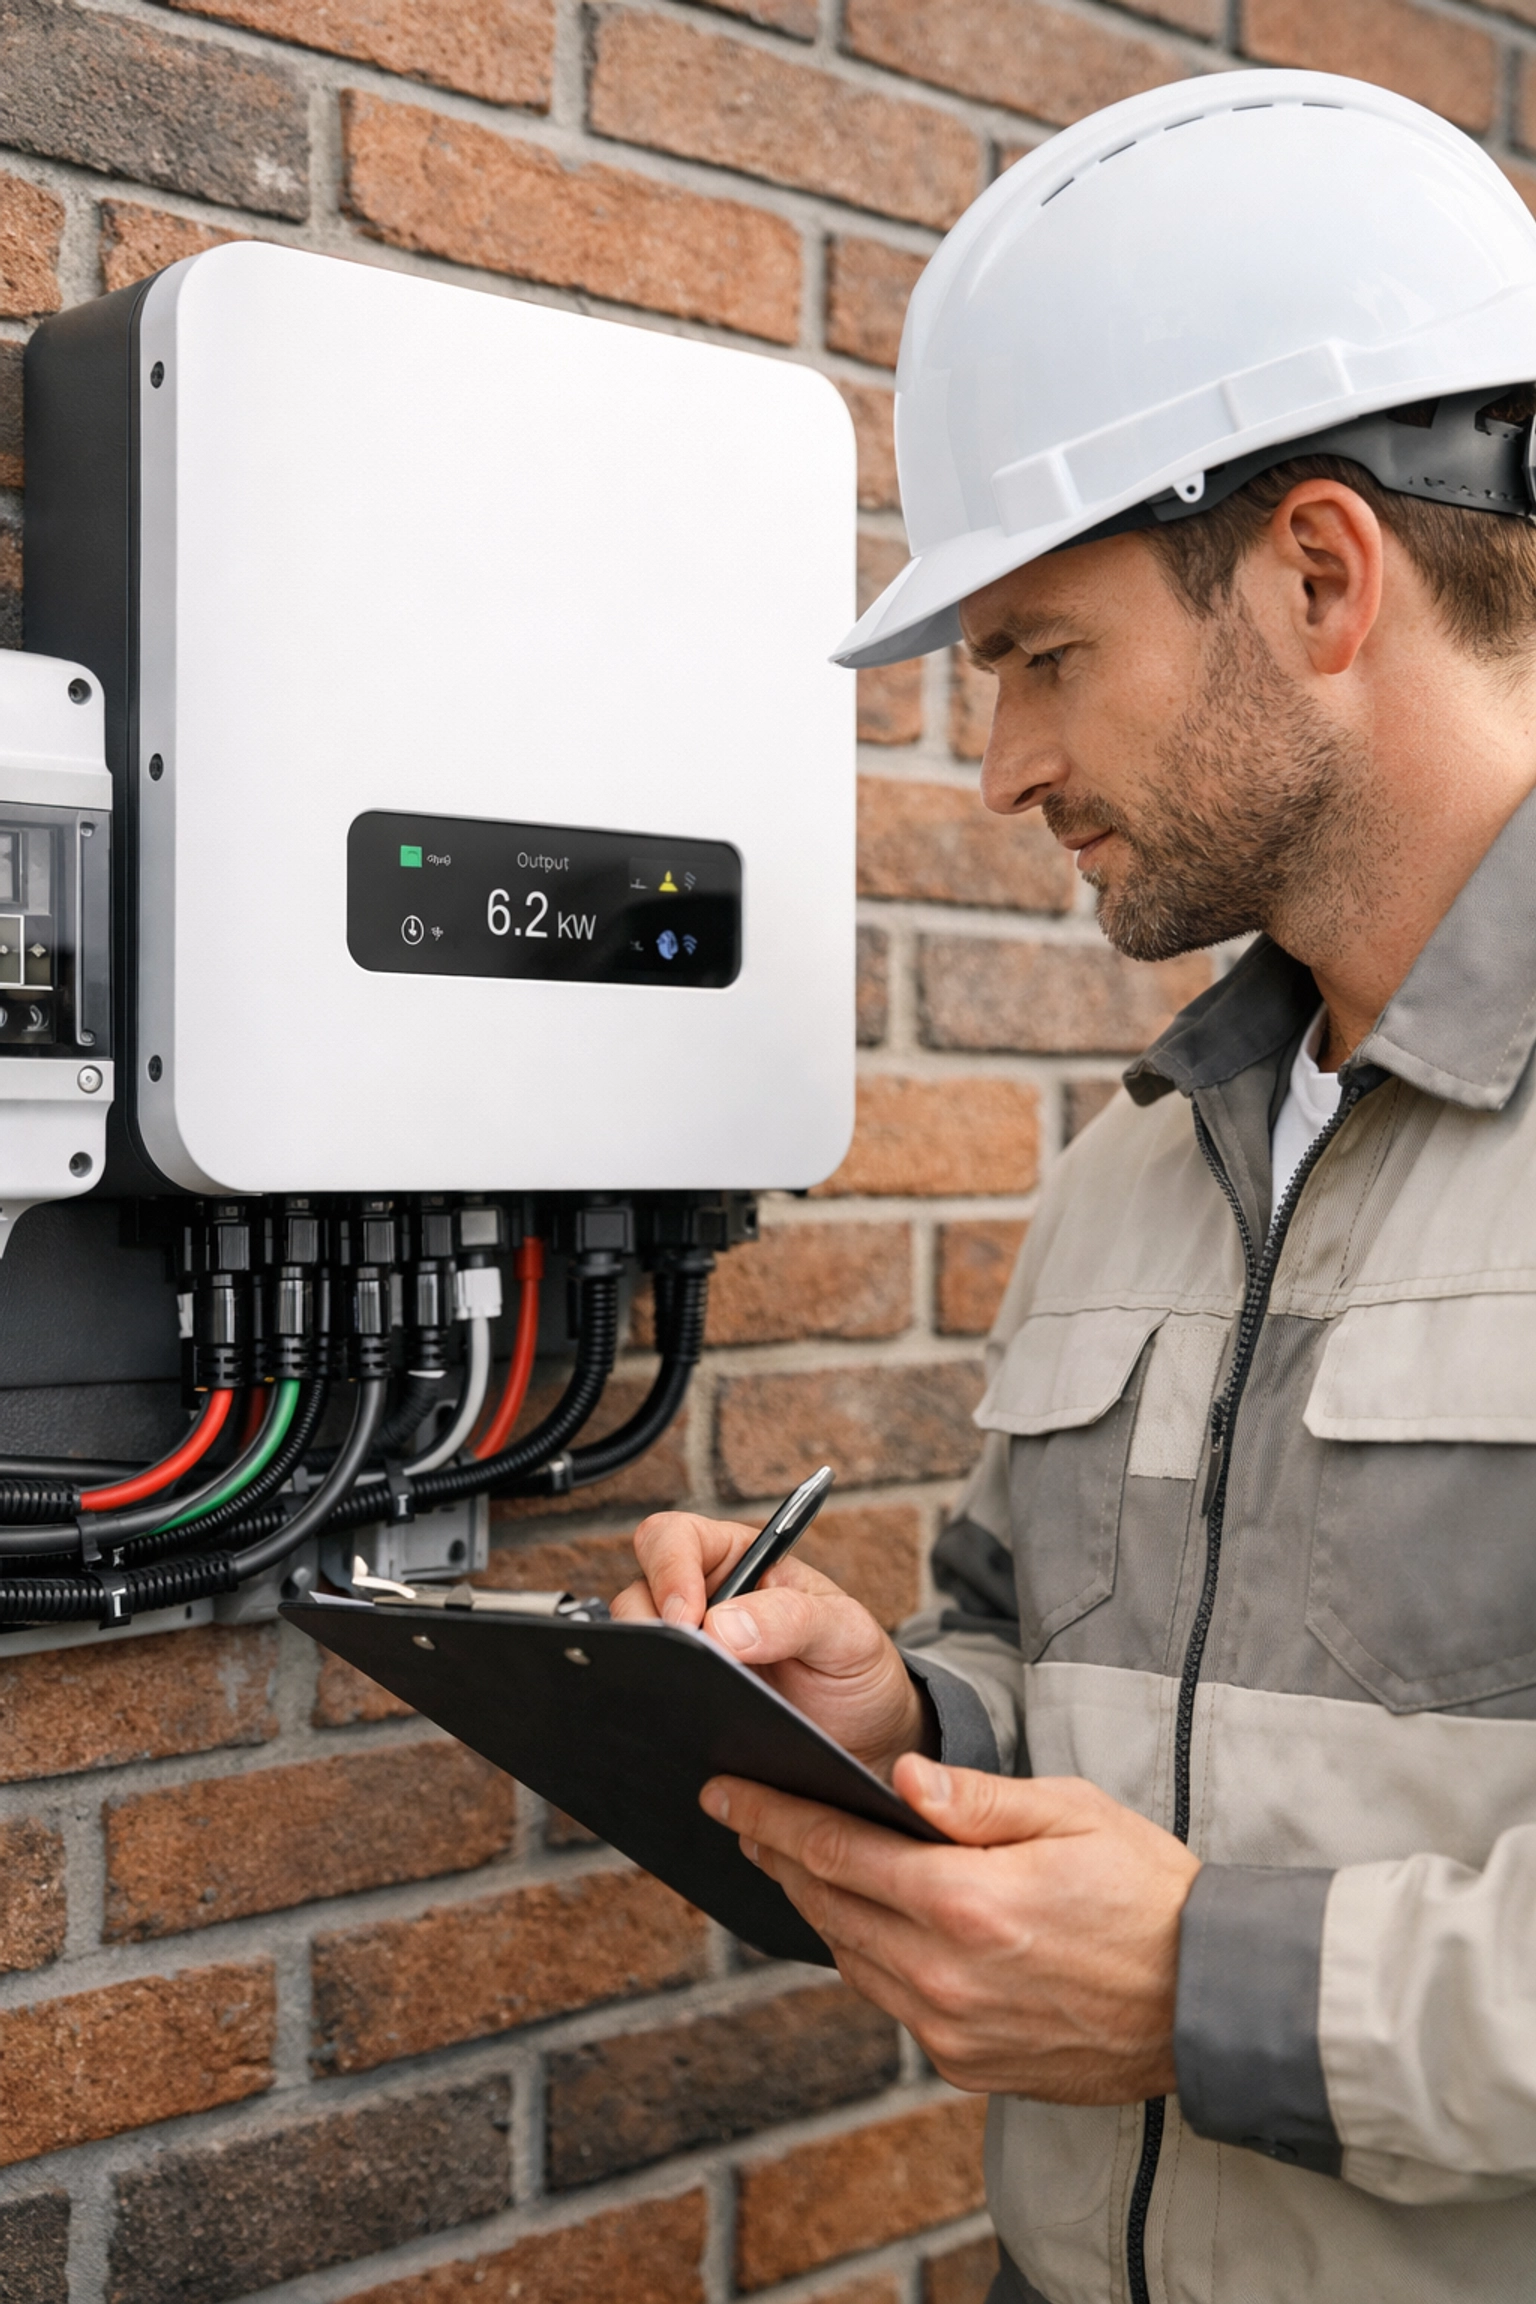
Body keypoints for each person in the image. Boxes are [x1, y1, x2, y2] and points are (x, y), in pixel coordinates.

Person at [614, 67, 1536, 2304]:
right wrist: (906, 1719)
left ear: (1321, 573)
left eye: (1041, 652)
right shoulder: (1141, 1161)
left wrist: (1206, 1990)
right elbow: (1084, 1671)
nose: (1007, 761)